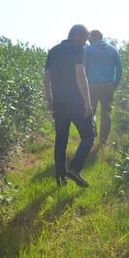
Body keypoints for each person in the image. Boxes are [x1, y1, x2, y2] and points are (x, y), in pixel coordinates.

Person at [43, 25, 96, 187]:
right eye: (85, 38)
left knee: (61, 139)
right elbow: (80, 75)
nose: (85, 42)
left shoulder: (53, 51)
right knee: (89, 135)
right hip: (76, 101)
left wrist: (49, 99)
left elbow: (46, 77)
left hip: (59, 102)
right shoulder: (77, 49)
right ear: (76, 35)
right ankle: (75, 168)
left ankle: (60, 177)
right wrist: (87, 101)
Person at [85, 30, 122, 144]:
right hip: (108, 86)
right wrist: (114, 85)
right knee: (106, 113)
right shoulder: (112, 50)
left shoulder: (88, 50)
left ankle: (92, 134)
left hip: (92, 85)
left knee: (90, 111)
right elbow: (120, 69)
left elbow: (83, 68)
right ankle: (103, 140)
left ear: (91, 38)